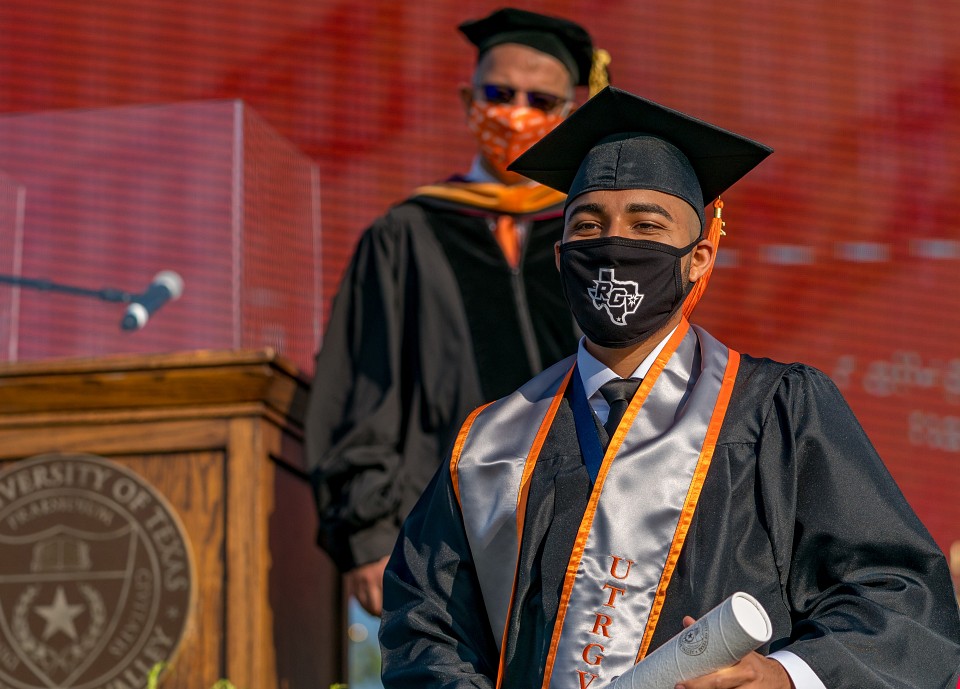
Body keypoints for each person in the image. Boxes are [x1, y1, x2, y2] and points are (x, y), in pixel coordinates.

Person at [379, 86, 960, 688]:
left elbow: (901, 598)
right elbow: (425, 627)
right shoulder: (491, 446)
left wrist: (787, 676)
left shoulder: (776, 412)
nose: (614, 244)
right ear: (560, 258)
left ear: (700, 257)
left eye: (647, 225)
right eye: (589, 225)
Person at [305, 8, 610, 616]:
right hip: (441, 538)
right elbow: (364, 389)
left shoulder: (596, 237)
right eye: (499, 93)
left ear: (568, 113)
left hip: (591, 536)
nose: (516, 111)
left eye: (540, 98)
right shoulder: (407, 233)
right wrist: (366, 535)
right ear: (467, 98)